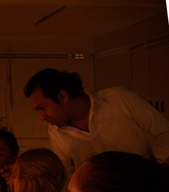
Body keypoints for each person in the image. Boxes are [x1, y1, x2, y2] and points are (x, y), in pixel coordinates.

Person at [24, 68, 169, 180]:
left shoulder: (117, 99)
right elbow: (66, 177)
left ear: (62, 96)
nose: (42, 117)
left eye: (42, 108)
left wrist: (152, 167)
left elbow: (164, 131)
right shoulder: (55, 132)